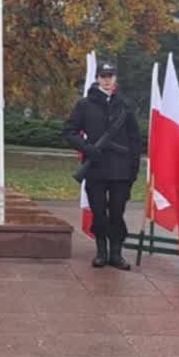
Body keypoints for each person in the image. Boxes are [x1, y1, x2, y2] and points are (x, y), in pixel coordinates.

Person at [63, 60, 141, 270]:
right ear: (97, 78)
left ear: (115, 78)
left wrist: (133, 169)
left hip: (120, 170)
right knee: (98, 212)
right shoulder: (84, 105)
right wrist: (88, 148)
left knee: (117, 212)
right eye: (103, 76)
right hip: (96, 168)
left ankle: (116, 253)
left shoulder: (125, 105)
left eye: (111, 76)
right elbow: (69, 131)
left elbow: (135, 140)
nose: (107, 80)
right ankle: (101, 252)